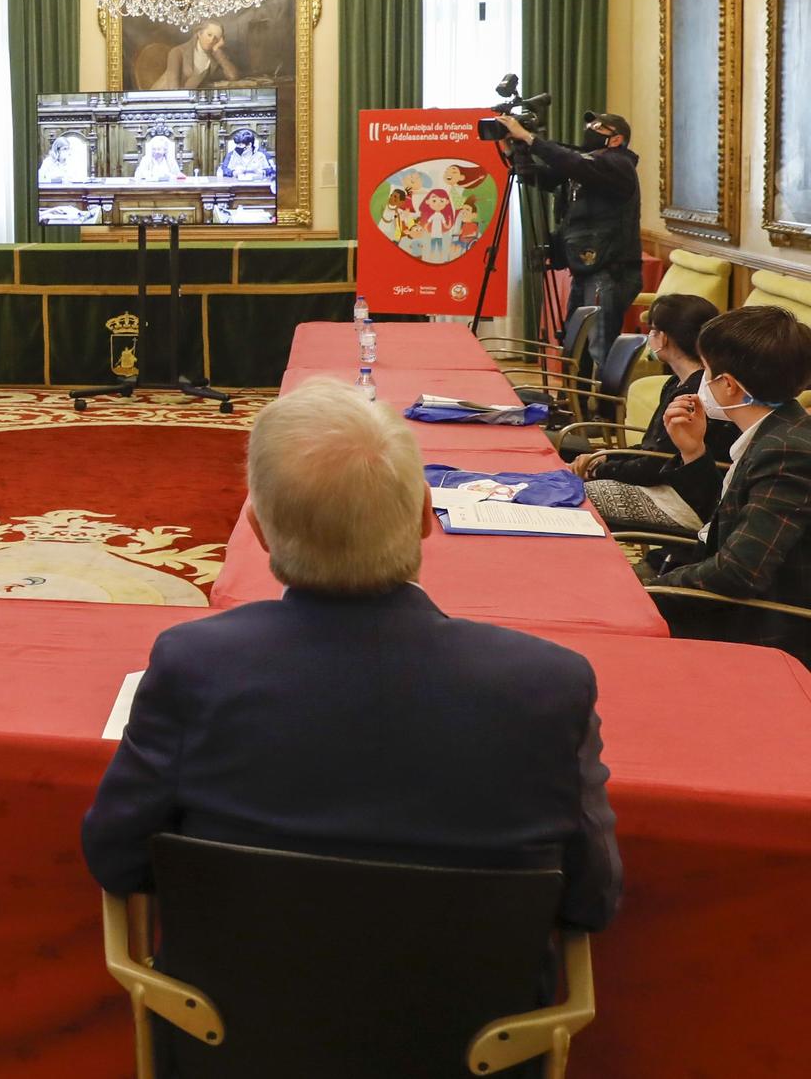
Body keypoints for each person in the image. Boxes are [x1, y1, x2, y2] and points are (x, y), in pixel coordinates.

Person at [84, 381, 621, 936]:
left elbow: (117, 856)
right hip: (485, 1020)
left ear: (259, 533)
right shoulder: (550, 684)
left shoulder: (191, 663)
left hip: (225, 1014)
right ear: (423, 517)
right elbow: (592, 897)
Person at [648, 305, 811, 659]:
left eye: (706, 370)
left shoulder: (788, 452)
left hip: (760, 630)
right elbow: (728, 526)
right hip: (727, 602)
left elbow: (739, 571)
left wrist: (651, 591)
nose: (701, 381)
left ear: (728, 385)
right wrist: (694, 453)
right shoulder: (779, 430)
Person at [576, 293, 736, 534]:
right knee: (568, 486)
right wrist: (605, 458)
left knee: (573, 497)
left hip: (683, 499)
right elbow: (654, 451)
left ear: (663, 338)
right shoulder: (677, 382)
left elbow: (654, 467)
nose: (650, 336)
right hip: (667, 484)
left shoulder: (696, 392)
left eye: (652, 330)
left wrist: (598, 469)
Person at [496, 111, 641, 366]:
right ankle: (579, 403)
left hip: (610, 270)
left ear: (617, 139)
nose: (590, 128)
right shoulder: (589, 166)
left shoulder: (619, 165)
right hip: (587, 266)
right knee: (577, 344)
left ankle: (608, 405)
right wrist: (513, 150)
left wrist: (529, 138)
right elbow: (540, 175)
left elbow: (573, 163)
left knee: (600, 346)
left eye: (598, 126)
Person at [154, 22, 241, 91]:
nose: (211, 40)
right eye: (209, 35)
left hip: (191, 100)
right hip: (164, 100)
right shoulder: (178, 52)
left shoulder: (214, 56)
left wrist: (218, 52)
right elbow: (173, 89)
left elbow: (233, 77)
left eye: (216, 38)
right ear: (199, 34)